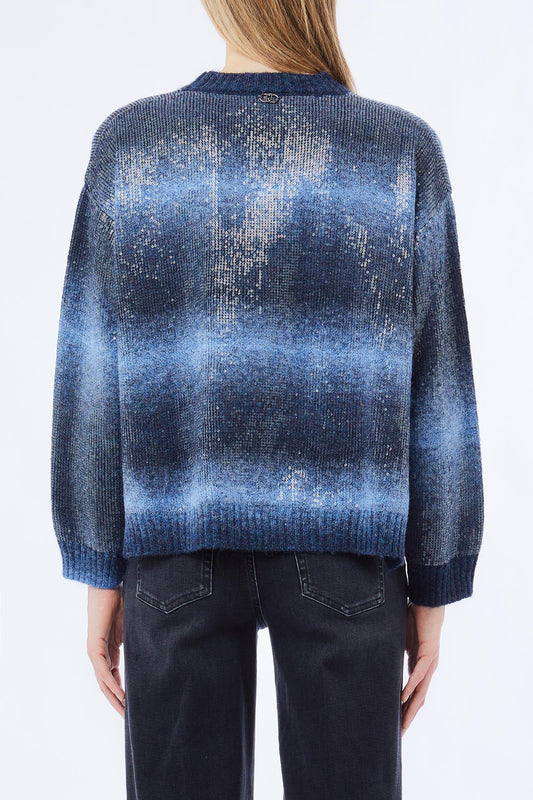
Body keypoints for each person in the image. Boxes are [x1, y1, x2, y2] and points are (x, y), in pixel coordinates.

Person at [50, 1, 484, 797]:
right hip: (346, 547)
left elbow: (91, 378)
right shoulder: (398, 150)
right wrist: (435, 578)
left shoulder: (132, 145)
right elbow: (439, 387)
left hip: (174, 543)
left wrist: (98, 567)